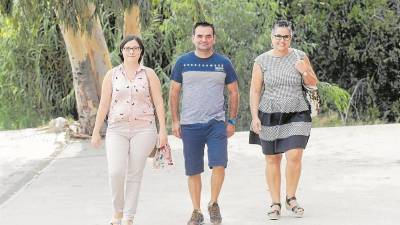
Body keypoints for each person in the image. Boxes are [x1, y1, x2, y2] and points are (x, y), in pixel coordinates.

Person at [91, 35, 168, 225]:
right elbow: (103, 104)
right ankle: (117, 211)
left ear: (141, 51)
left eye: (135, 48)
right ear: (122, 51)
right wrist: (95, 131)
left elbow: (159, 103)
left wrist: (163, 130)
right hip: (117, 129)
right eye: (127, 48)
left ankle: (128, 217)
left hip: (144, 129)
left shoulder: (149, 74)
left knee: (135, 173)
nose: (131, 51)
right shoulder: (112, 75)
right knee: (115, 172)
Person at [169, 21, 239, 225]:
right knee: (193, 170)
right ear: (193, 38)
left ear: (214, 38)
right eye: (200, 36)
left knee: (219, 165)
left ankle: (213, 203)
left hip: (216, 123)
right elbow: (174, 92)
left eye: (208, 36)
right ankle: (196, 211)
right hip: (190, 125)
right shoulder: (183, 62)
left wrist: (231, 120)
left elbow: (234, 92)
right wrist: (175, 121)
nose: (204, 40)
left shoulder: (223, 63)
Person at [249, 20, 318, 220]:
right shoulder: (261, 61)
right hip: (269, 112)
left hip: (297, 111)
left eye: (285, 36)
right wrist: (254, 116)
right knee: (273, 159)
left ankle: (291, 198)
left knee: (295, 155)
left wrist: (304, 70)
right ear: (272, 38)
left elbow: (313, 83)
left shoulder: (300, 56)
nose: (282, 40)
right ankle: (275, 202)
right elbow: (255, 90)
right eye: (278, 36)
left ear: (291, 37)